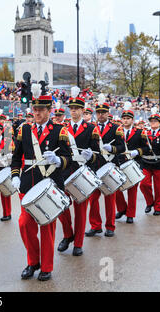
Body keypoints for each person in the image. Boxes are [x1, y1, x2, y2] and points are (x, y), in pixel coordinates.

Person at [11, 93, 72, 281]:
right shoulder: (24, 130)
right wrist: (15, 176)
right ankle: (33, 262)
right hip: (28, 182)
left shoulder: (59, 130)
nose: (36, 113)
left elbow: (68, 158)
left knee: (47, 227)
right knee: (24, 223)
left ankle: (46, 266)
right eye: (34, 109)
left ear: (49, 110)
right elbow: (16, 157)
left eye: (41, 110)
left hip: (51, 182)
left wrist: (58, 160)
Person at [57, 95, 100, 256]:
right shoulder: (62, 128)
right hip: (64, 172)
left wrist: (92, 156)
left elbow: (98, 154)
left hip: (82, 172)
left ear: (83, 110)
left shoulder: (91, 129)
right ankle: (68, 235)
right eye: (71, 108)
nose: (73, 111)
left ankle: (79, 243)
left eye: (77, 108)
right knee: (62, 206)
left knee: (81, 210)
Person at [86, 102, 125, 238]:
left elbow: (122, 148)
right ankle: (95, 226)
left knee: (109, 198)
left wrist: (112, 149)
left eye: (103, 112)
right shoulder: (91, 128)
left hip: (110, 166)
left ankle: (110, 226)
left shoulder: (116, 128)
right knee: (93, 198)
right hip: (95, 166)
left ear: (108, 113)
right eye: (98, 112)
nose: (100, 115)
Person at [115, 110, 149, 223]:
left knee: (132, 190)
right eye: (124, 118)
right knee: (116, 188)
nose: (125, 120)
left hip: (134, 163)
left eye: (128, 118)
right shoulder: (116, 131)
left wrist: (137, 151)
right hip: (119, 163)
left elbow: (147, 148)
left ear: (132, 120)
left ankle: (130, 214)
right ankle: (121, 208)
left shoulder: (140, 132)